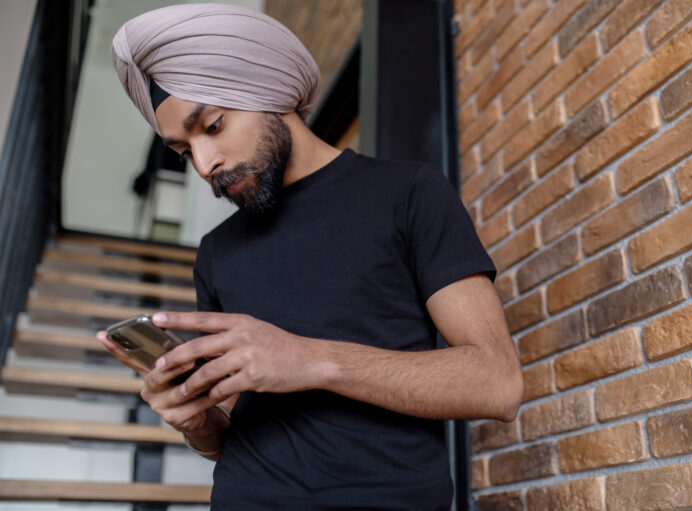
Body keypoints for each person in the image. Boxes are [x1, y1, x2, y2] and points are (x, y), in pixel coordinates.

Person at [96, 4, 523, 510]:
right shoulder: (215, 253)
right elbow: (228, 431)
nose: (205, 164)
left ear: (266, 90)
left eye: (212, 126)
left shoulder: (409, 193)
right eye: (185, 152)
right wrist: (195, 422)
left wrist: (309, 359)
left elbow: (497, 383)